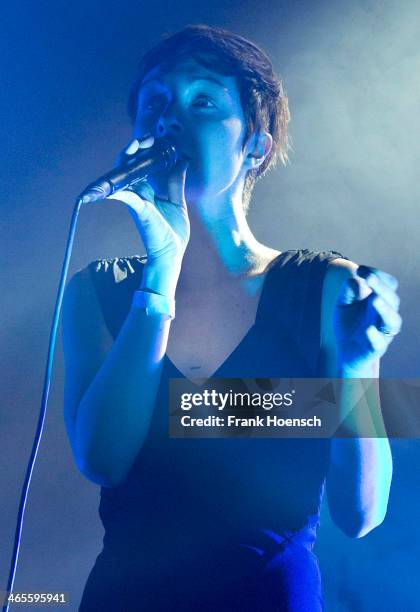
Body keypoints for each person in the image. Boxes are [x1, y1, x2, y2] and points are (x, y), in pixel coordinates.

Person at [62, 24, 402, 611]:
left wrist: (358, 364)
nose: (171, 118)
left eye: (203, 101)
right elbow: (103, 460)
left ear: (256, 145)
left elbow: (361, 512)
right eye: (156, 102)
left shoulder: (323, 289)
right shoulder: (97, 291)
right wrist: (160, 274)